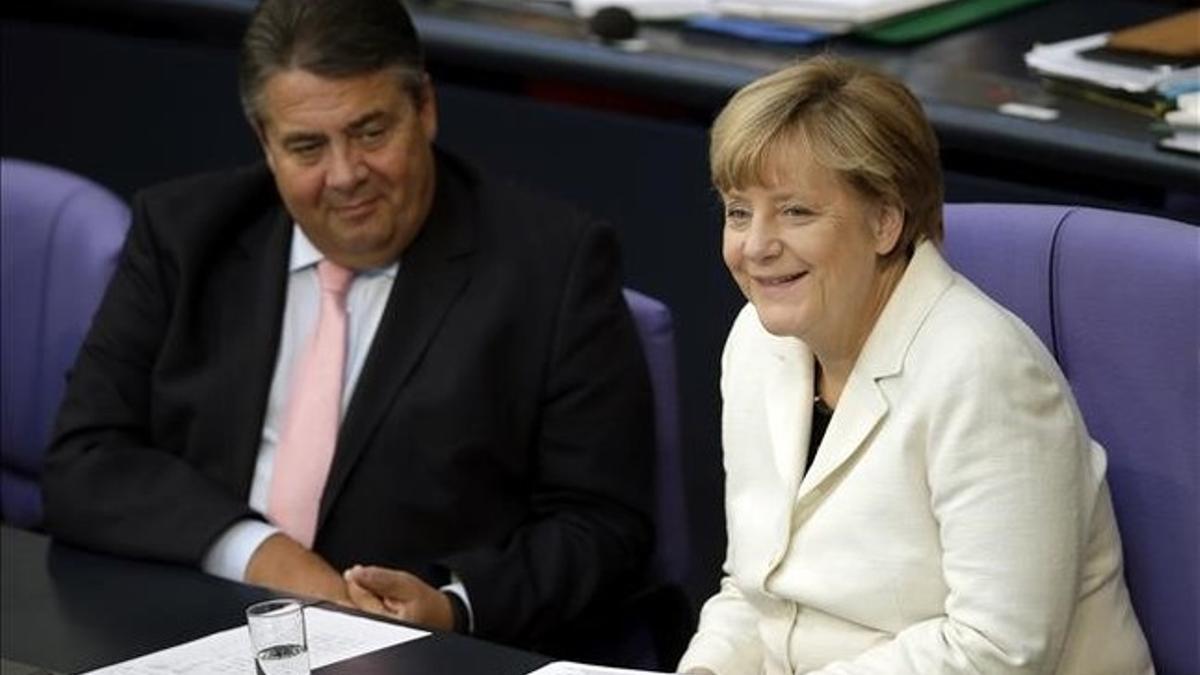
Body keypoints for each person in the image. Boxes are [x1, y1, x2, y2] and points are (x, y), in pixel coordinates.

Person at [42, 0, 654, 649]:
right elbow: (84, 461)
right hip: (193, 626)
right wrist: (262, 553)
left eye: (370, 132)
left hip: (424, 654)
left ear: (425, 109)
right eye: (307, 146)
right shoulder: (185, 235)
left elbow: (602, 526)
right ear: (264, 141)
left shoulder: (551, 266)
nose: (345, 176)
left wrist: (451, 607)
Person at [678, 56, 1153, 674]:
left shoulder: (984, 372)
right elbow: (752, 590)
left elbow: (996, 650)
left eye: (795, 211)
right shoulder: (757, 341)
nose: (756, 246)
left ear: (885, 221)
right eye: (739, 212)